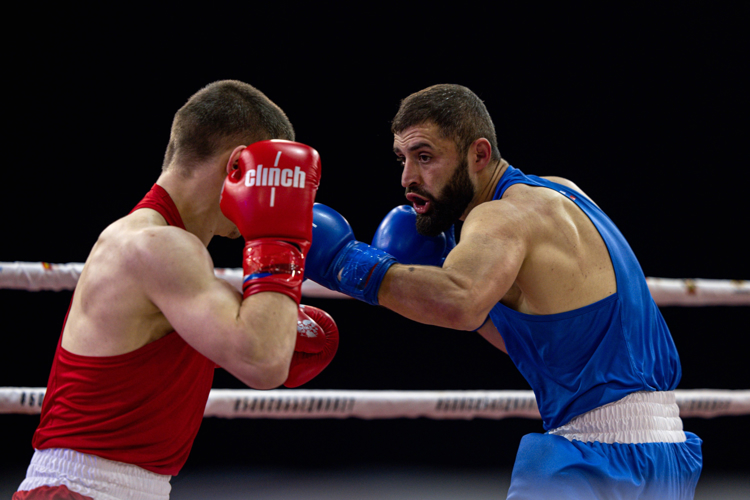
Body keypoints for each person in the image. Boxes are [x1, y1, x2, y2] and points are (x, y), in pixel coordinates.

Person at [304, 84, 702, 499]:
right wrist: (433, 274)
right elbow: (545, 343)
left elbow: (459, 302)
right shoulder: (562, 192)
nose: (408, 178)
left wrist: (343, 263)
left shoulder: (500, 217)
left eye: (425, 157)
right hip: (666, 455)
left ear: (479, 154)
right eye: (402, 159)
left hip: (593, 458)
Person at [15, 80, 338, 500]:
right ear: (240, 165)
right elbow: (264, 361)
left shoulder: (167, 248)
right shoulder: (159, 245)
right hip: (83, 488)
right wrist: (279, 241)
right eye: (273, 178)